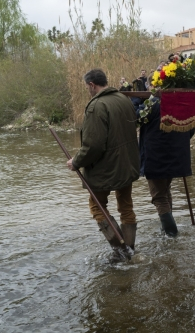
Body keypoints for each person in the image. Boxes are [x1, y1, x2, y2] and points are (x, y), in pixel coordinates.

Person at [67, 69, 140, 262]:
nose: (87, 91)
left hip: (106, 169)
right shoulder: (124, 99)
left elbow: (93, 145)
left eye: (87, 87)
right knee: (126, 206)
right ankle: (130, 249)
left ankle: (121, 250)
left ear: (92, 85)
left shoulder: (96, 106)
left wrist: (75, 162)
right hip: (127, 164)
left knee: (97, 206)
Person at [136, 95, 193, 237]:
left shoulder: (152, 103)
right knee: (165, 191)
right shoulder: (181, 102)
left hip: (156, 157)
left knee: (159, 196)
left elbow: (136, 117)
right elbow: (190, 130)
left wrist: (136, 100)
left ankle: (171, 234)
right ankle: (166, 229)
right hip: (175, 156)